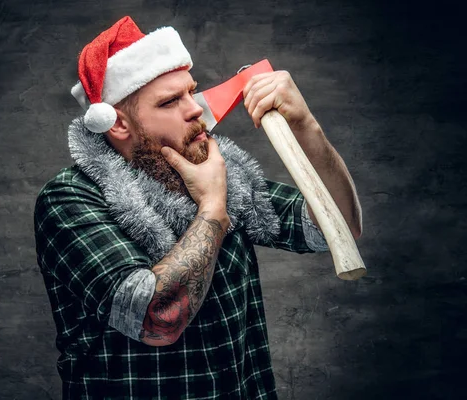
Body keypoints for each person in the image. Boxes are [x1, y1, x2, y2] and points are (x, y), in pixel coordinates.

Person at [34, 16, 362, 399]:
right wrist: (212, 207)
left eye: (192, 91)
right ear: (118, 125)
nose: (195, 110)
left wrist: (306, 125)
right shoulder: (69, 199)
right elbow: (156, 319)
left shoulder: (223, 173)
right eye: (170, 101)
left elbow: (337, 226)